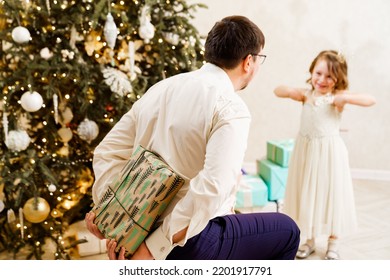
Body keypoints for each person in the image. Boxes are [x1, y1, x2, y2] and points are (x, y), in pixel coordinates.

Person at [85, 15, 300, 260]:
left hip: (142, 229)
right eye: (260, 58)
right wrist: (152, 250)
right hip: (188, 242)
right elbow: (213, 187)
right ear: (248, 62)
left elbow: (107, 151)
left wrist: (112, 214)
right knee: (288, 230)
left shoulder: (161, 89)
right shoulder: (230, 108)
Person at [274, 50, 376, 260]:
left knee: (331, 194)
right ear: (311, 71)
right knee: (307, 193)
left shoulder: (336, 99)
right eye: (318, 73)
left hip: (329, 154)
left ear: (338, 79)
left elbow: (370, 100)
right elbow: (278, 90)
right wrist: (291, 90)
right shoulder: (306, 95)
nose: (322, 79)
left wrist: (344, 96)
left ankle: (333, 241)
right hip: (306, 152)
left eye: (329, 76)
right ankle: (310, 240)